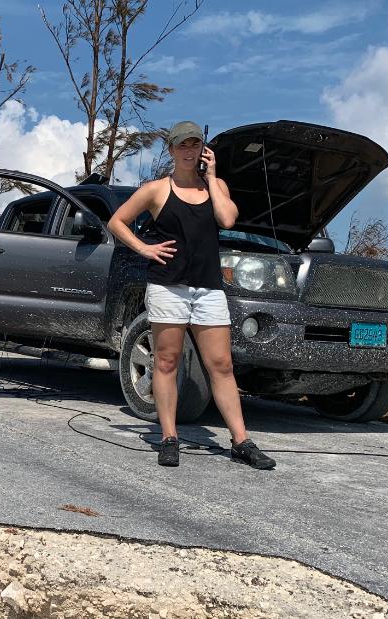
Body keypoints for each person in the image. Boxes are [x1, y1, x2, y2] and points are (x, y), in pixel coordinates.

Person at [106, 121, 275, 470]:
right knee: (166, 362)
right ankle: (169, 438)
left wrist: (212, 178)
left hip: (208, 288)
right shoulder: (156, 190)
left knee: (222, 366)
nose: (188, 150)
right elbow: (117, 222)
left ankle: (241, 440)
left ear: (203, 149)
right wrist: (144, 248)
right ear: (171, 150)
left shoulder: (217, 186)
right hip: (168, 287)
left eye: (195, 144)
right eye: (181, 145)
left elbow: (227, 220)